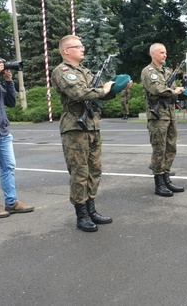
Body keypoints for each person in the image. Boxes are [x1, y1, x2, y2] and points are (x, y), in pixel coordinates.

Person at [51, 35, 132, 232]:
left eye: (82, 45)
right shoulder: (62, 71)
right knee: (79, 173)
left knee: (95, 170)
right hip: (75, 128)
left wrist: (115, 89)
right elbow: (78, 94)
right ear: (66, 51)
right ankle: (82, 214)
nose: (83, 49)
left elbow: (99, 95)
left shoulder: (85, 71)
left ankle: (91, 208)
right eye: (78, 47)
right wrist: (103, 90)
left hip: (92, 125)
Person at [141, 43, 185, 197]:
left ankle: (166, 178)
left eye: (165, 52)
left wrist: (179, 91)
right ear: (153, 54)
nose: (165, 55)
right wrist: (174, 91)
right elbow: (157, 89)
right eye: (161, 52)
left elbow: (170, 92)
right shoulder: (149, 72)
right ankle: (159, 183)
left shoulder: (167, 71)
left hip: (170, 113)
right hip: (158, 115)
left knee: (170, 147)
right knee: (159, 149)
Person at [0, 66, 34, 218]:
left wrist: (8, 82)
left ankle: (11, 203)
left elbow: (11, 102)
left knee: (8, 168)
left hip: (3, 132)